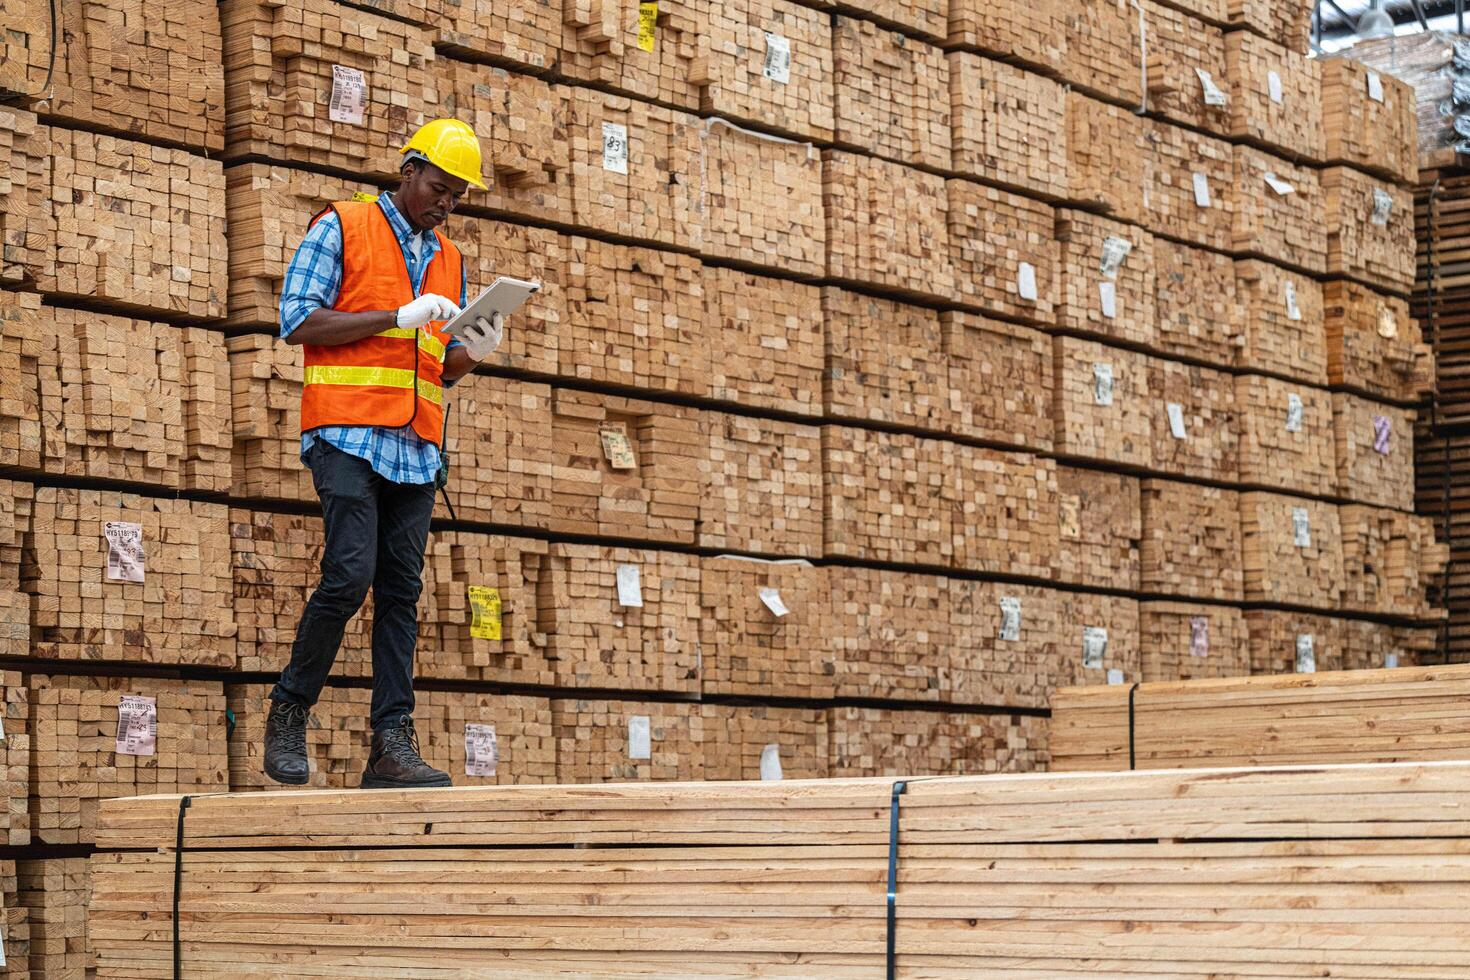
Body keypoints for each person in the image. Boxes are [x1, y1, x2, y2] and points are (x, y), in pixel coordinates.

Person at [263, 119, 506, 788]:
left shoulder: (449, 260)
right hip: (345, 433)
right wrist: (396, 316)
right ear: (408, 170)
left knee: (401, 592)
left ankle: (391, 745)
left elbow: (444, 368)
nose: (446, 203)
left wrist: (476, 343)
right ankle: (289, 709)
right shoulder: (341, 226)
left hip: (415, 447)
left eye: (458, 195)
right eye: (439, 187)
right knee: (347, 575)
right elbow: (296, 319)